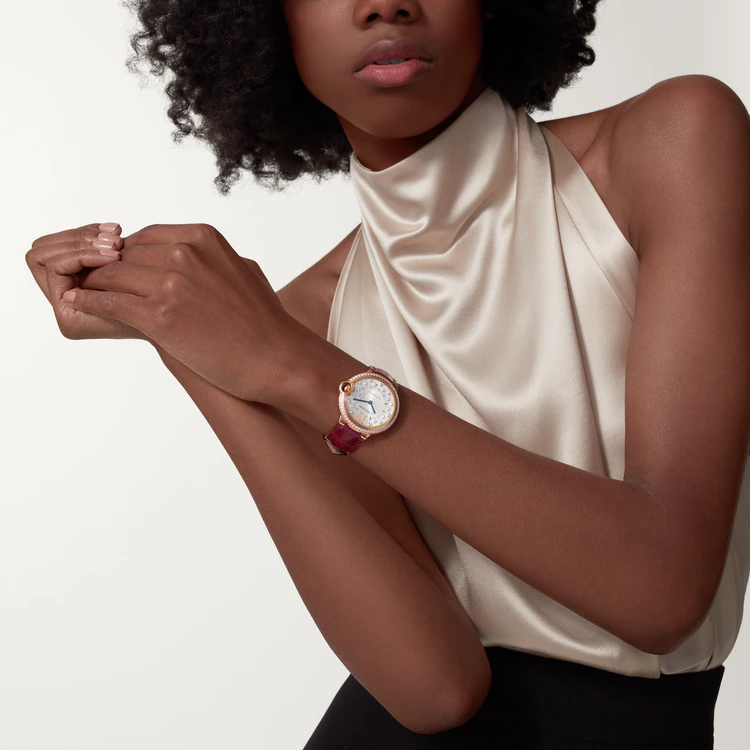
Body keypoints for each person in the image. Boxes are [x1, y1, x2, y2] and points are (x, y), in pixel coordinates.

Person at [26, 1, 750, 748]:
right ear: (267, 23)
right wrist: (190, 346)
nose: (384, 3)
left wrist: (290, 367)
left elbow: (663, 590)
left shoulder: (672, 141)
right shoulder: (299, 324)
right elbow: (435, 689)